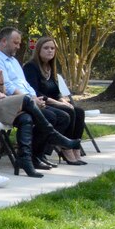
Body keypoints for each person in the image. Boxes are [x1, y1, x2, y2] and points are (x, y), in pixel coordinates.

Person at [0, 33, 80, 176]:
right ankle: (53, 134)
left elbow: (0, 93)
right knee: (26, 100)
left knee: (25, 118)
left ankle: (25, 162)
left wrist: (0, 82)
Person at [0, 27, 80, 167]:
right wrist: (31, 100)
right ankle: (33, 156)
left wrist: (36, 98)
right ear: (4, 41)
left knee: (64, 115)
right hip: (13, 103)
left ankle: (38, 155)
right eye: (16, 43)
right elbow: (8, 87)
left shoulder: (13, 61)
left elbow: (24, 84)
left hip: (28, 99)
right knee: (55, 117)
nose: (18, 46)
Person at [24, 35, 87, 164]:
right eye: (46, 48)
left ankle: (74, 147)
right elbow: (35, 92)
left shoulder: (49, 67)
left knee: (79, 111)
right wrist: (58, 103)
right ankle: (65, 147)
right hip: (41, 103)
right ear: (38, 50)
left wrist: (63, 101)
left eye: (52, 48)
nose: (50, 51)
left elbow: (56, 92)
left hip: (53, 102)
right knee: (68, 112)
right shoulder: (31, 67)